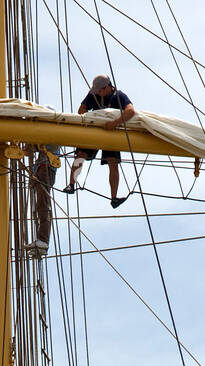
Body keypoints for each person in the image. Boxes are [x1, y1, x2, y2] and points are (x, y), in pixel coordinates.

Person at [63, 75, 135, 208]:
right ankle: (71, 184)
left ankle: (114, 198)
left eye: (100, 90)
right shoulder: (93, 94)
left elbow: (130, 111)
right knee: (80, 156)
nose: (97, 93)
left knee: (113, 162)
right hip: (95, 130)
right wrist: (92, 118)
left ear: (107, 87)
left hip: (111, 132)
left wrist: (114, 123)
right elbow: (81, 111)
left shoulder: (119, 96)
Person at [26, 144, 61, 253]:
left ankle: (43, 240)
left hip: (46, 168)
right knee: (39, 206)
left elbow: (48, 144)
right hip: (40, 169)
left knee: (43, 204)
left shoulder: (52, 140)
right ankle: (41, 240)